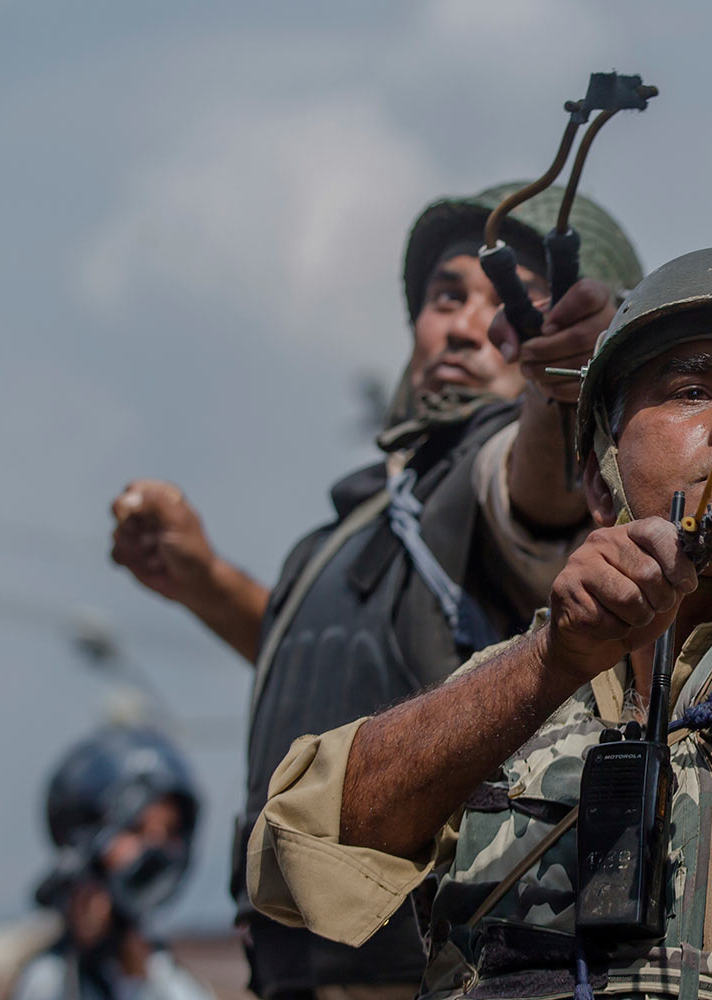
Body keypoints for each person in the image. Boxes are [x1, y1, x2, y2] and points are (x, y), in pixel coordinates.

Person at [244, 244, 712, 999]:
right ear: (598, 480)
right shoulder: (520, 679)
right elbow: (300, 851)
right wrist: (551, 660)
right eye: (690, 388)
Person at [107, 184, 643, 1000]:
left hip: (430, 971)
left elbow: (535, 496)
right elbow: (359, 664)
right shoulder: (366, 514)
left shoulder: (496, 469)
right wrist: (205, 582)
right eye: (446, 295)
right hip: (290, 971)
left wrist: (562, 382)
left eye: (510, 307)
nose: (466, 324)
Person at [12, 726, 212, 1000]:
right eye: (137, 829)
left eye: (169, 832)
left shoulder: (169, 981)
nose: (155, 849)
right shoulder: (50, 981)